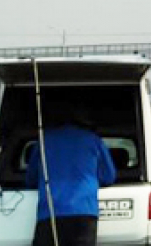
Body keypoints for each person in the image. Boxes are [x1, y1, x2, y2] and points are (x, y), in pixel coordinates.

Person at [25, 100, 117, 246]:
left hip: (50, 211)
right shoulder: (93, 140)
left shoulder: (44, 140)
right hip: (84, 211)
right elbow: (109, 176)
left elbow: (30, 179)